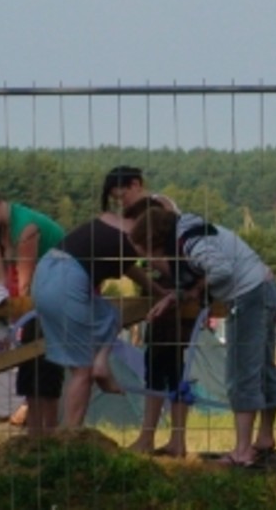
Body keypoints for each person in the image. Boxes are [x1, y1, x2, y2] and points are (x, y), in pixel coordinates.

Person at [129, 206, 276, 467]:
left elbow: (221, 270)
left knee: (241, 371)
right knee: (263, 370)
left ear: (154, 243)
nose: (148, 262)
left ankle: (243, 451)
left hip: (248, 297)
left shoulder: (191, 243)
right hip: (265, 290)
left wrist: (198, 287)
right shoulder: (192, 232)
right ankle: (264, 438)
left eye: (146, 255)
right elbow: (207, 272)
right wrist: (175, 297)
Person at [30, 206, 163, 428]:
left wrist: (156, 290)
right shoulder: (135, 240)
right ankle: (72, 435)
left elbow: (130, 267)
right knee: (82, 370)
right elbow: (161, 263)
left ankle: (101, 362)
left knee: (109, 314)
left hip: (44, 274)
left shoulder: (110, 224)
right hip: (68, 281)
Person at [0, 185, 66, 438]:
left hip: (56, 300)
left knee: (47, 372)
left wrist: (12, 330)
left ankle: (48, 436)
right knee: (29, 372)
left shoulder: (26, 228)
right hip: (31, 305)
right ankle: (33, 438)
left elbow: (24, 284)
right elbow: (0, 286)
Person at [102, 168, 193, 458]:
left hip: (172, 294)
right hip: (165, 293)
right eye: (116, 202)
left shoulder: (153, 210)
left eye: (123, 196)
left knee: (169, 366)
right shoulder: (154, 209)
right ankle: (158, 437)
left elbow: (160, 256)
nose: (122, 205)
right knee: (162, 365)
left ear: (136, 185)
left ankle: (164, 438)